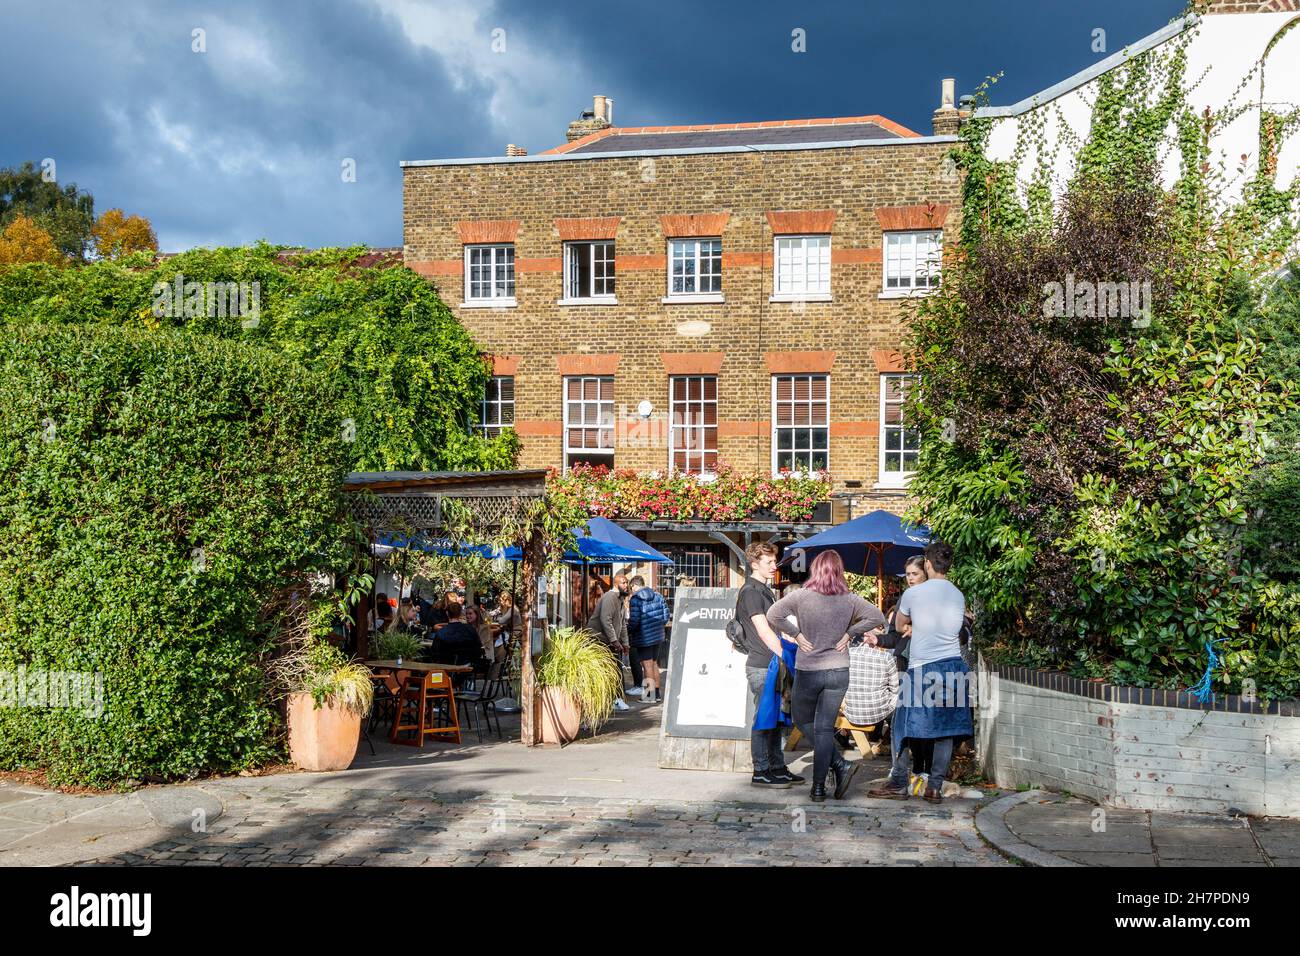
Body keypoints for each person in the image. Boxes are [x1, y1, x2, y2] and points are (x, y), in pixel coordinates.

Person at [766, 551, 886, 802]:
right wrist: (850, 632)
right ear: (839, 571)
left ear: (816, 570)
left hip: (810, 669)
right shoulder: (850, 599)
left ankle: (833, 772)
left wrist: (796, 634)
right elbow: (878, 617)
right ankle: (822, 783)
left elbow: (773, 615)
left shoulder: (800, 596)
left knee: (802, 718)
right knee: (823, 729)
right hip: (838, 670)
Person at [868, 540, 972, 805]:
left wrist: (914, 623)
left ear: (927, 563)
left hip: (923, 667)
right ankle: (934, 787)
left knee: (901, 726)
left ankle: (899, 782)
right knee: (944, 730)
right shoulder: (958, 594)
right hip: (952, 666)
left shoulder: (915, 594)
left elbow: (900, 624)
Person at [734, 541, 803, 789]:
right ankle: (761, 770)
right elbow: (764, 631)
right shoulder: (751, 592)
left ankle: (777, 766)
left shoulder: (764, 590)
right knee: (764, 719)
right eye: (769, 562)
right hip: (763, 665)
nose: (775, 566)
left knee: (774, 718)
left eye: (775, 561)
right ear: (754, 564)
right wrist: (786, 656)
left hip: (771, 663)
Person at [875, 555, 933, 785]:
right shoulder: (903, 600)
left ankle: (923, 768)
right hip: (904, 663)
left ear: (925, 574)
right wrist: (877, 640)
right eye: (907, 574)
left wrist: (919, 629)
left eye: (915, 573)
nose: (910, 578)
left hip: (928, 663)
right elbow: (893, 636)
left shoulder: (933, 598)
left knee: (924, 717)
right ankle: (902, 769)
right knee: (904, 717)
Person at [585, 572, 632, 712]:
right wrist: (614, 640)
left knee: (616, 669)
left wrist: (626, 643)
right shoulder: (610, 597)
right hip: (598, 638)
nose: (626, 585)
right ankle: (612, 700)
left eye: (627, 582)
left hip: (609, 640)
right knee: (609, 670)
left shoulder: (621, 600)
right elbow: (606, 620)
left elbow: (622, 624)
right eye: (624, 582)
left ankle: (616, 699)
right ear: (616, 583)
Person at [626, 575, 668, 704]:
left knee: (647, 665)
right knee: (655, 664)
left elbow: (634, 621)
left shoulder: (635, 600)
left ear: (635, 586)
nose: (631, 591)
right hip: (658, 635)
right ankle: (657, 694)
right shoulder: (658, 596)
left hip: (643, 637)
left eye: (631, 588)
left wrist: (628, 631)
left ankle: (649, 696)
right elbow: (665, 617)